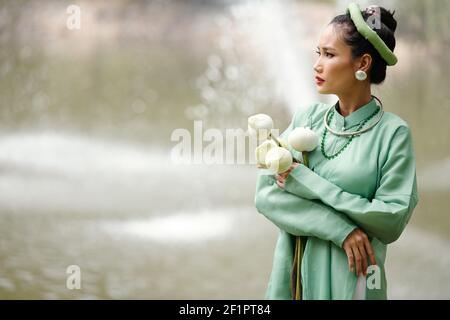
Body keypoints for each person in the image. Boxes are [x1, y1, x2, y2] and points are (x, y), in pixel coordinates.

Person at [254, 3, 419, 300]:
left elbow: (391, 219)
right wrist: (340, 229)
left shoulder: (392, 134)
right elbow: (266, 194)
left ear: (362, 63)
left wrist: (307, 181)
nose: (317, 65)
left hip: (354, 281)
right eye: (319, 53)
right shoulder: (308, 119)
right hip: (293, 282)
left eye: (329, 55)